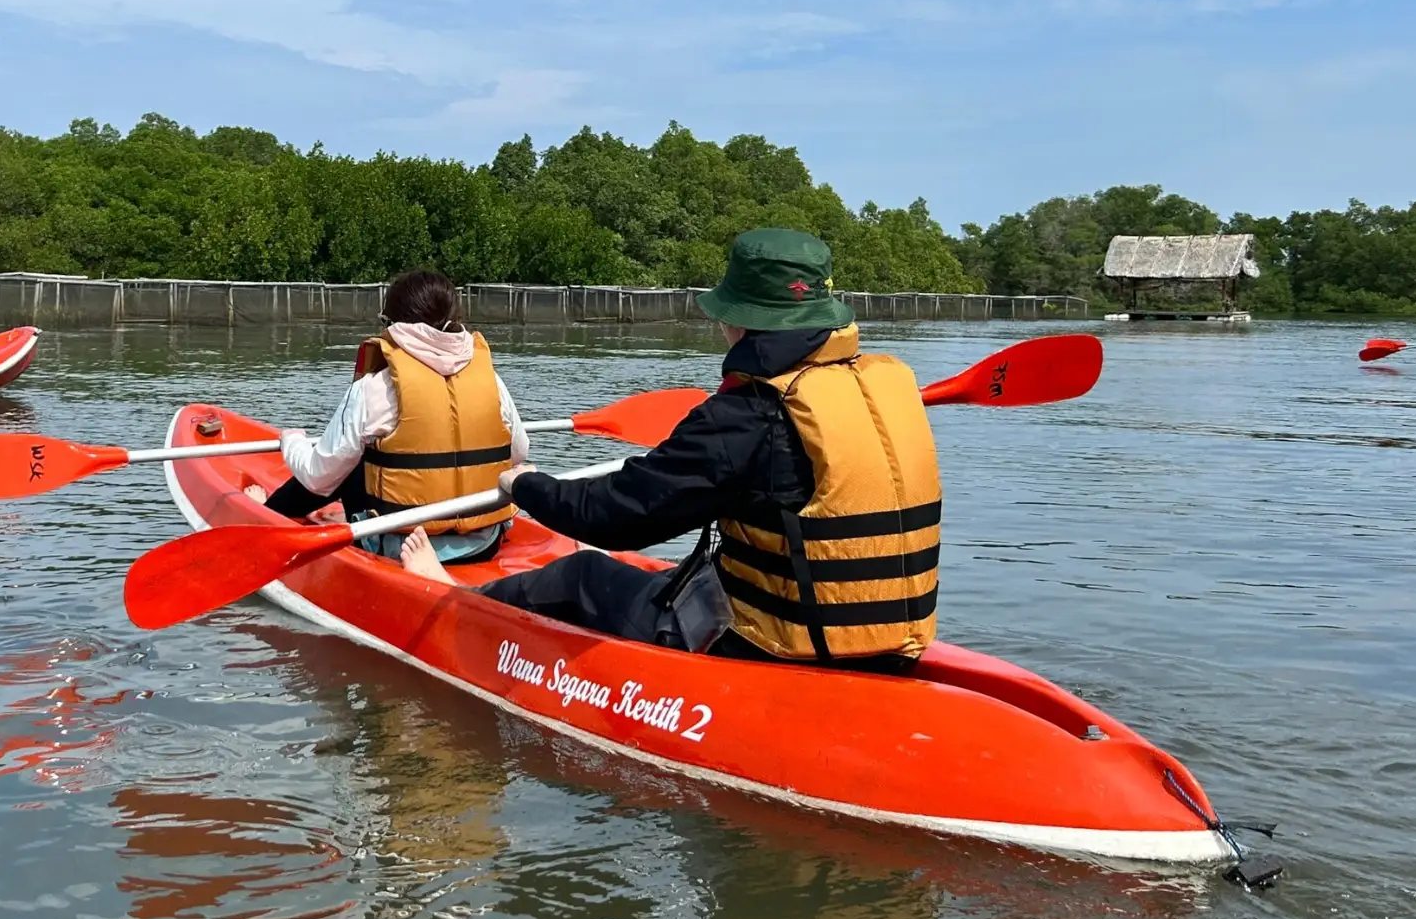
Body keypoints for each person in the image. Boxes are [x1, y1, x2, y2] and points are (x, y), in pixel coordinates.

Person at [396, 228, 941, 674]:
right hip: (894, 642)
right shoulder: (884, 387)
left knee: (581, 573)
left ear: (739, 319)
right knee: (676, 575)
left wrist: (524, 484)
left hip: (777, 647)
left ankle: (456, 601)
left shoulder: (744, 415)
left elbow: (615, 518)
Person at [252, 269, 531, 564]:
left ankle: (268, 512)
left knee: (353, 461)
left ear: (390, 323)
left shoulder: (376, 387)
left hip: (400, 546)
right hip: (483, 543)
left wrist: (292, 443)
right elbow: (518, 453)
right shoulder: (492, 382)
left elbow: (318, 478)